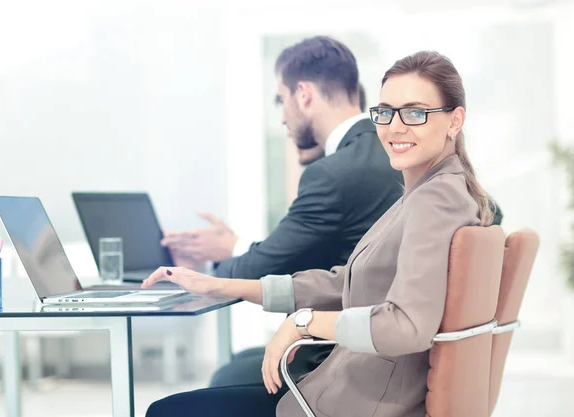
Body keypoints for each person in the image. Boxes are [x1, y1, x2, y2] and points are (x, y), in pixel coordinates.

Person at [142, 50, 496, 417]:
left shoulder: (435, 199)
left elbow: (406, 325)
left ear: (455, 121)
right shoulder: (431, 190)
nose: (394, 126)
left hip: (359, 403)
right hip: (354, 390)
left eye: (415, 112)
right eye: (386, 111)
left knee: (167, 411)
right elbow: (346, 283)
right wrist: (224, 285)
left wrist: (302, 323)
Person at [161, 36, 404, 387]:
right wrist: (236, 246)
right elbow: (310, 256)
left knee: (188, 398)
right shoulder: (392, 155)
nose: (283, 118)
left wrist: (205, 271)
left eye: (281, 101)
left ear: (303, 95)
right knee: (237, 365)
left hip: (345, 362)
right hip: (383, 352)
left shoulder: (335, 173)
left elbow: (263, 269)